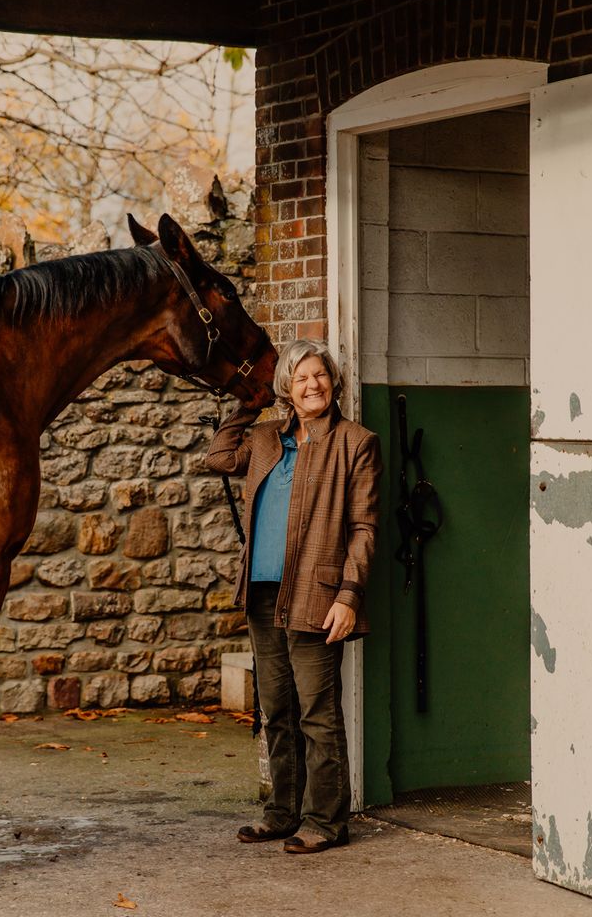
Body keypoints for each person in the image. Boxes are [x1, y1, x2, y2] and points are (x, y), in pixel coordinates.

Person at [206, 339, 382, 853]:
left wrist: (349, 596)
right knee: (276, 708)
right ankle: (281, 812)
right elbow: (218, 456)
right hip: (263, 595)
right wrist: (249, 402)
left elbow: (365, 528)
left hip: (318, 595)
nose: (314, 385)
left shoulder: (356, 443)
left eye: (321, 376)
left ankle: (326, 821)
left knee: (317, 712)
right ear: (286, 387)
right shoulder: (264, 439)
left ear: (334, 383)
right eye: (302, 378)